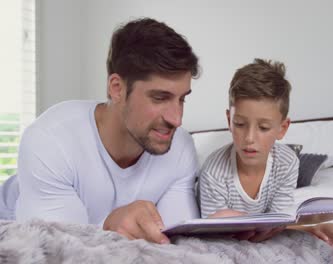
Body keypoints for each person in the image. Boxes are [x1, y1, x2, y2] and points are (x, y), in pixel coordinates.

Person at [0, 17, 200, 245]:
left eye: (182, 99)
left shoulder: (181, 147)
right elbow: (54, 249)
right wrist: (108, 224)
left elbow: (174, 244)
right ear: (117, 89)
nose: (177, 118)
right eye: (159, 98)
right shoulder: (50, 140)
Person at [198, 58, 333, 256]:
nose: (249, 138)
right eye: (240, 124)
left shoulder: (287, 163)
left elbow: (277, 227)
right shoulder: (213, 172)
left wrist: (315, 228)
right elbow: (213, 237)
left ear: (282, 129)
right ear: (229, 120)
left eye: (264, 128)